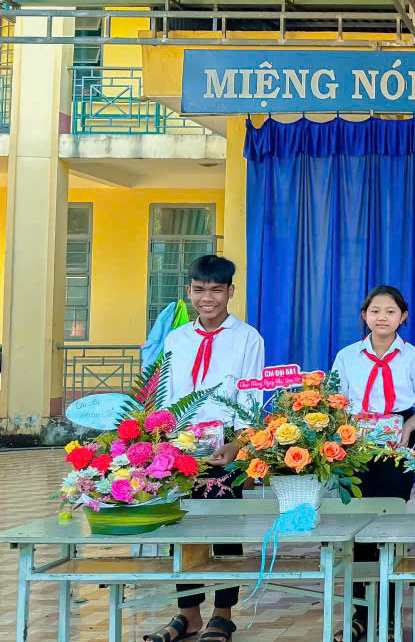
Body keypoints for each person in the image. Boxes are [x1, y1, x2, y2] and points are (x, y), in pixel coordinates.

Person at [144, 255, 264, 642]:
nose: (207, 298)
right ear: (188, 291)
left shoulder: (247, 338)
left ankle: (223, 614)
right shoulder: (176, 339)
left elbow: (251, 395)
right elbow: (167, 393)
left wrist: (237, 443)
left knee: (225, 527)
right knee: (183, 527)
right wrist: (161, 440)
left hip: (224, 445)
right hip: (179, 445)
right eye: (199, 290)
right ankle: (188, 614)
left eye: (216, 290)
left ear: (230, 291)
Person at [330, 285, 415, 642]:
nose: (382, 317)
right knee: (358, 528)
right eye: (375, 310)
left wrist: (409, 426)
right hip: (355, 446)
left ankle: (391, 614)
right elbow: (335, 400)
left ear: (402, 317)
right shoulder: (347, 356)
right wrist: (346, 433)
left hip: (397, 444)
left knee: (391, 528)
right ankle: (361, 613)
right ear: (364, 315)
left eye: (390, 311)